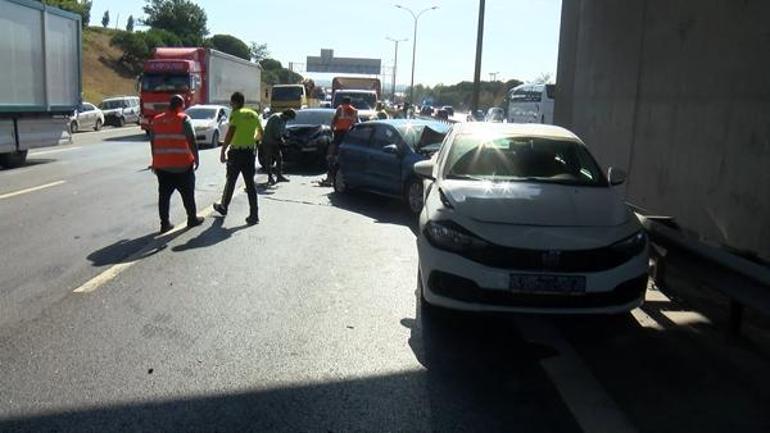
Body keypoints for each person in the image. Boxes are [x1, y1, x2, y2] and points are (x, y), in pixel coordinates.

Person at [149, 94, 203, 234]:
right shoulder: (184, 119)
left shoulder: (156, 120)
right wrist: (196, 158)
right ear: (180, 105)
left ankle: (164, 224)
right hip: (183, 166)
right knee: (188, 194)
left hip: (163, 167)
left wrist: (155, 161)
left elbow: (153, 143)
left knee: (164, 196)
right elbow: (191, 140)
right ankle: (192, 219)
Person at [213, 92, 263, 225]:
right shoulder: (253, 114)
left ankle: (224, 207)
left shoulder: (236, 114)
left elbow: (230, 133)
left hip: (236, 153)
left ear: (235, 102)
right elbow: (260, 133)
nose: (231, 105)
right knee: (250, 184)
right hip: (249, 153)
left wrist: (223, 150)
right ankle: (254, 214)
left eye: (231, 102)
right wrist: (252, 141)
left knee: (231, 181)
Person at [320, 96, 358, 186]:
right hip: (344, 133)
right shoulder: (349, 110)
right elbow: (354, 123)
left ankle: (330, 178)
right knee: (335, 157)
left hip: (342, 133)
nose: (344, 105)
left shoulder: (344, 109)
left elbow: (336, 120)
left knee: (332, 156)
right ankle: (332, 178)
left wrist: (332, 127)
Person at [262, 109, 295, 185]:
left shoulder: (283, 120)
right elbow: (276, 133)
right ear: (287, 115)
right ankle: (270, 177)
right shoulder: (276, 118)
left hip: (275, 142)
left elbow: (282, 132)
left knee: (279, 158)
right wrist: (282, 141)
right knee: (269, 159)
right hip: (268, 141)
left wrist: (286, 137)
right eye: (290, 118)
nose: (289, 120)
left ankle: (279, 176)